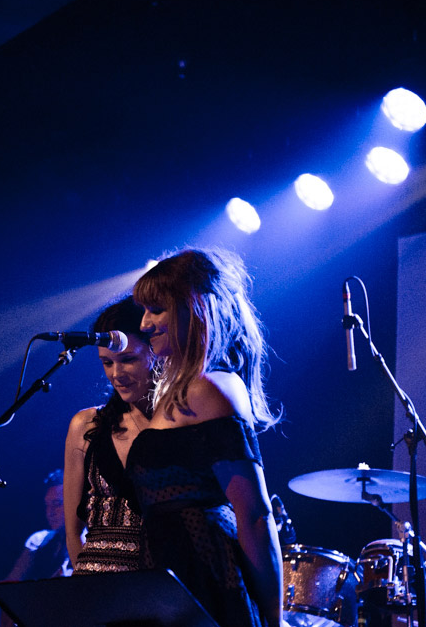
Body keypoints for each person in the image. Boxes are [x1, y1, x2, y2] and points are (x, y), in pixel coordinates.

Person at [128, 247, 284, 627]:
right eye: (144, 311)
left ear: (196, 307)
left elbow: (255, 514)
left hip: (205, 584)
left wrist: (274, 620)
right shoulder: (177, 390)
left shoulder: (212, 389)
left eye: (157, 309)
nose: (145, 324)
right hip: (166, 584)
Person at [63, 296, 154, 575]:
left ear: (156, 351)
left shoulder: (182, 422)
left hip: (156, 587)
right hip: (95, 590)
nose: (116, 374)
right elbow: (71, 533)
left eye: (128, 360)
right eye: (106, 363)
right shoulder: (87, 425)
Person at [2, 469, 72, 582]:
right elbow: (11, 581)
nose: (50, 512)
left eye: (57, 504)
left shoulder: (91, 542)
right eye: (47, 505)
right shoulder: (38, 540)